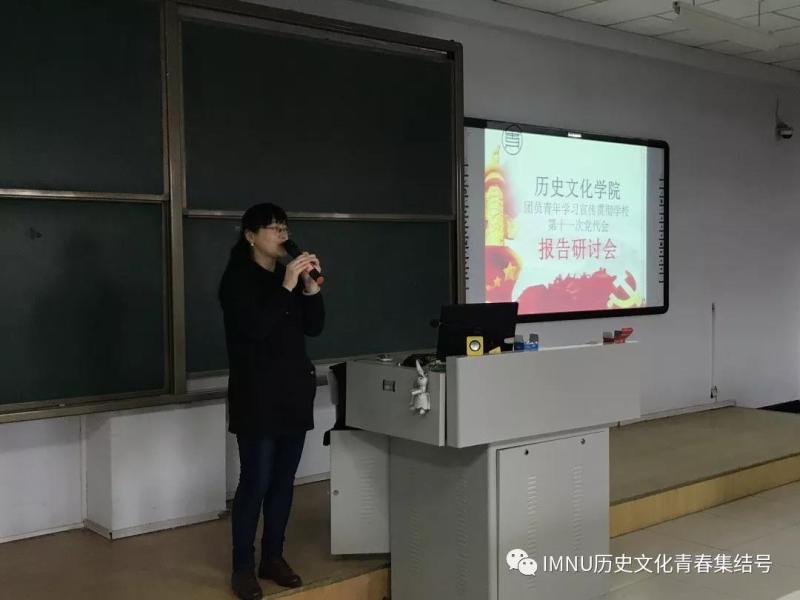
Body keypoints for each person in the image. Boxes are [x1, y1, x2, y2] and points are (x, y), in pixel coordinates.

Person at [218, 203, 324, 600]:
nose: (282, 235)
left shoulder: (288, 277)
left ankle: (273, 557)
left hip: (293, 392)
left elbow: (314, 327)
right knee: (256, 481)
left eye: (284, 228)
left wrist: (310, 289)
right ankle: (242, 567)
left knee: (283, 481)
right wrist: (287, 287)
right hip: (257, 395)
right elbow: (257, 328)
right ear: (250, 236)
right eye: (273, 228)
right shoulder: (237, 280)